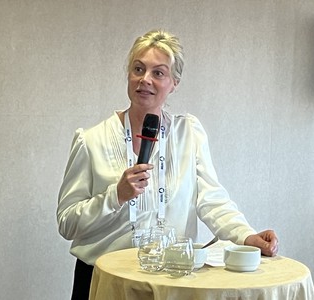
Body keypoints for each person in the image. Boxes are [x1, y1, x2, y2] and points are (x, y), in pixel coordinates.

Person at [57, 29, 279, 299]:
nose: (145, 80)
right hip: (104, 281)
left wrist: (246, 236)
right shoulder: (91, 140)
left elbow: (212, 200)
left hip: (172, 282)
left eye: (158, 73)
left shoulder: (189, 134)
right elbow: (67, 223)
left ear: (174, 83)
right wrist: (115, 196)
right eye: (138, 69)